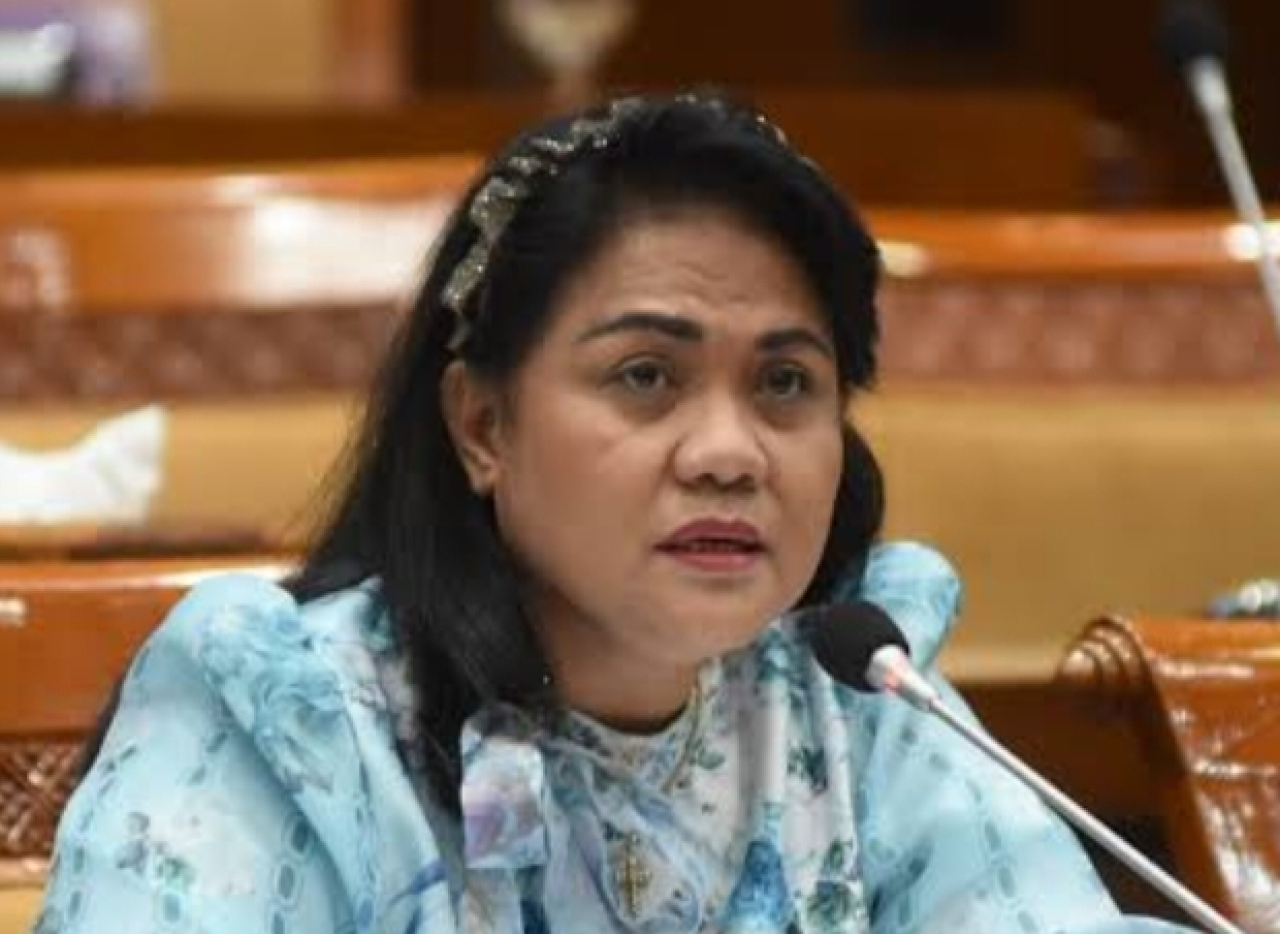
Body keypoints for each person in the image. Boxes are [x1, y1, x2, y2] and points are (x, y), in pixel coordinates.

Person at [34, 93, 1192, 933]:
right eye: (645, 375)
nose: (727, 453)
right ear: (482, 425)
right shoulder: (285, 719)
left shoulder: (857, 705)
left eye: (785, 381)